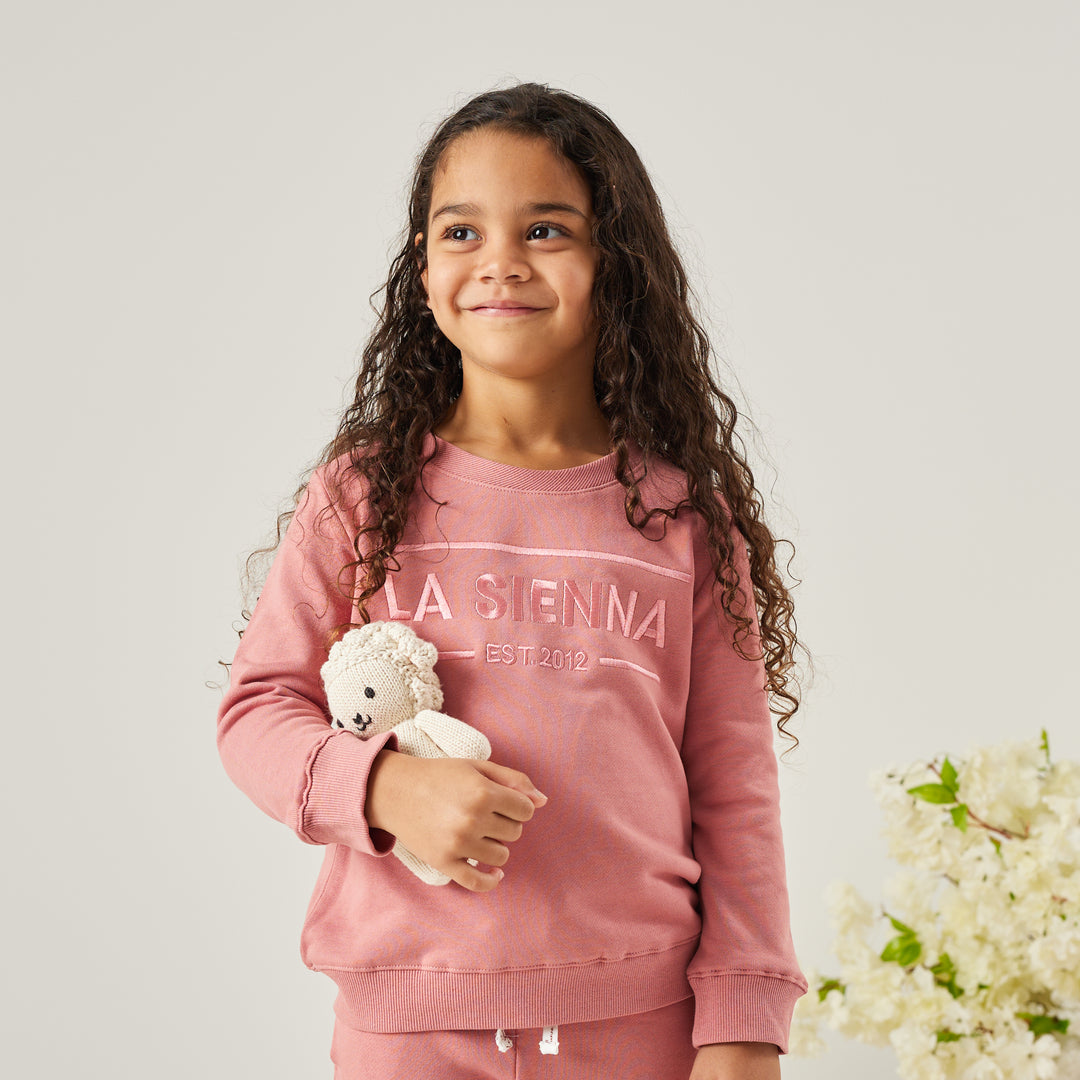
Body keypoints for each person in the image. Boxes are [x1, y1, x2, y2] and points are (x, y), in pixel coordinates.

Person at [217, 80, 810, 1080]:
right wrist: (385, 786)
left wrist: (745, 1024)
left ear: (614, 263)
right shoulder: (363, 496)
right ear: (423, 270)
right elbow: (256, 712)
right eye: (462, 232)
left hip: (645, 1028)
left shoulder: (681, 520)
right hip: (407, 1034)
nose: (500, 261)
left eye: (545, 229)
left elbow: (735, 788)